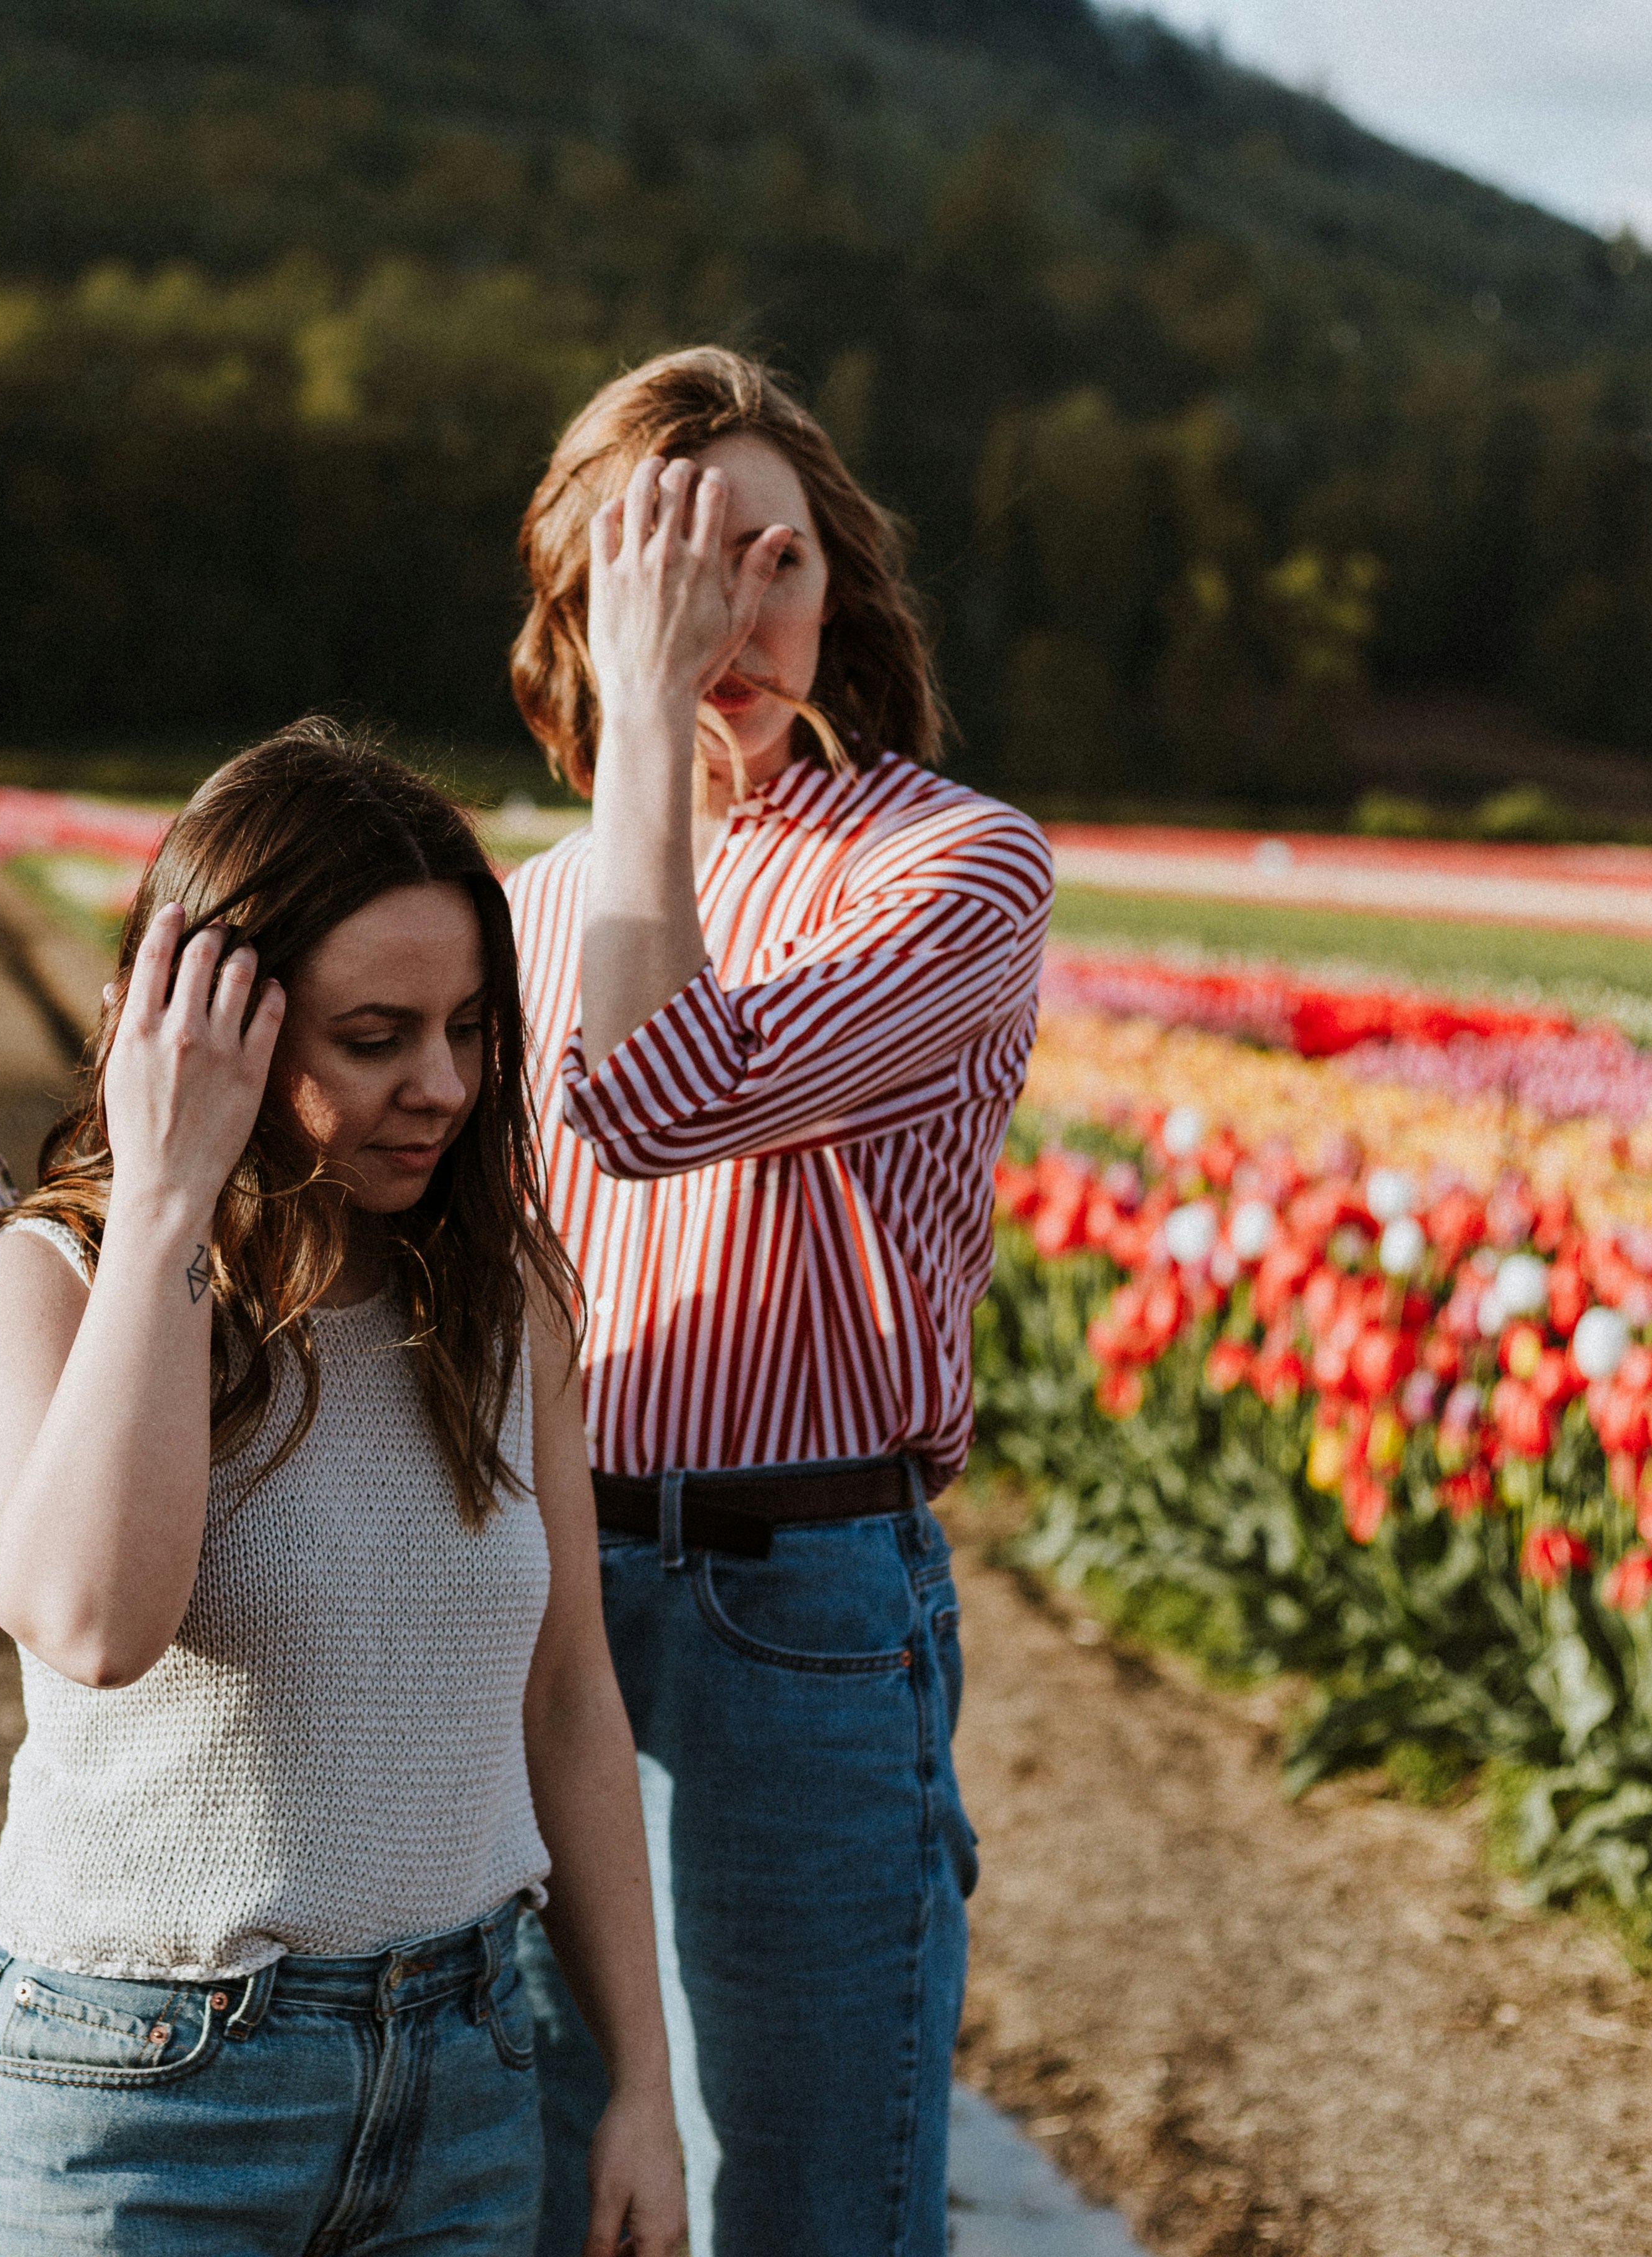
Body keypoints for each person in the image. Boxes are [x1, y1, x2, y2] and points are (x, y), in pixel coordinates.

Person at [0, 723, 688, 2257]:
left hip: (461, 2086)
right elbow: (93, 1619)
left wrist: (641, 2083)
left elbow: (570, 1696)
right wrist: (169, 1197)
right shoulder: (44, 1287)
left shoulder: (493, 1296)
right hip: (138, 2104)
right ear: (217, 1033)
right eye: (376, 1037)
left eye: (468, 1026)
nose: (444, 1085)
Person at [500, 348, 1056, 2256]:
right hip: (540, 1601)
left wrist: (645, 734)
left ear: (845, 591)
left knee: (816, 2204)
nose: (738, 609)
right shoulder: (521, 908)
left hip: (796, 1613)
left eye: (780, 560)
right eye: (676, 560)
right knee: (563, 2187)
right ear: (582, 596)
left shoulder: (956, 869)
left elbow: (656, 1100)